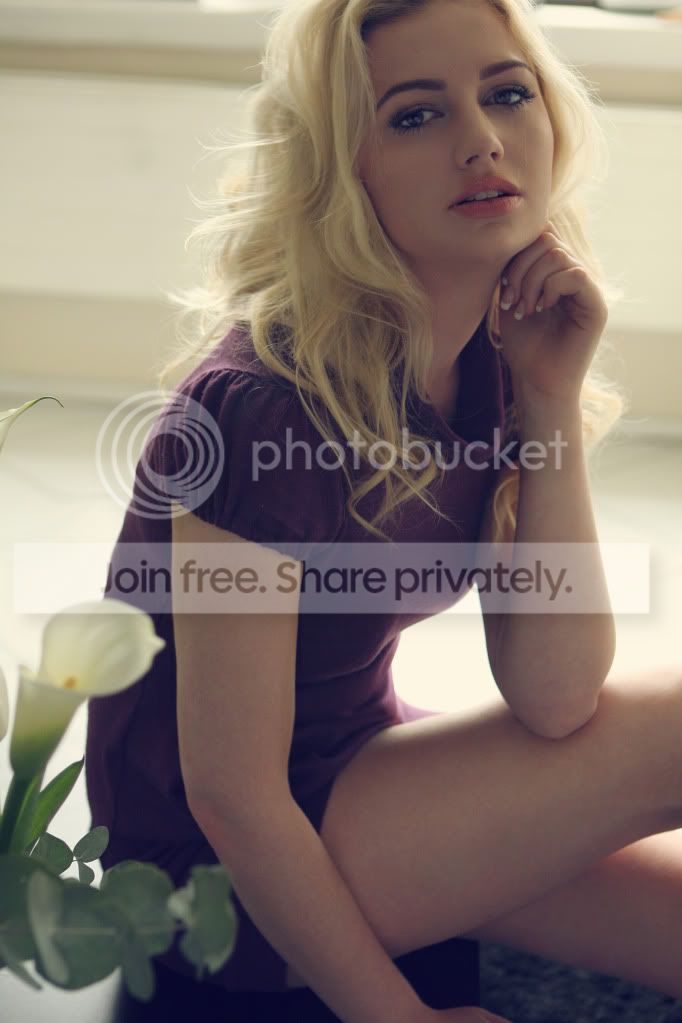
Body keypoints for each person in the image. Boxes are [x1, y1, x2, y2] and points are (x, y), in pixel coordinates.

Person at [85, 1, 682, 1021]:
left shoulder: (498, 357)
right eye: (415, 114)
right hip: (204, 877)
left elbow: (555, 695)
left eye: (506, 93)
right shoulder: (258, 408)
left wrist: (549, 399)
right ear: (342, 168)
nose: (482, 140)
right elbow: (228, 792)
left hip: (359, 768)